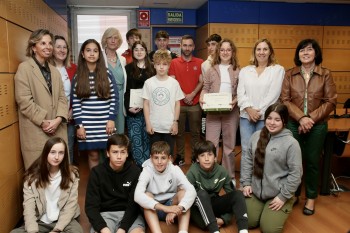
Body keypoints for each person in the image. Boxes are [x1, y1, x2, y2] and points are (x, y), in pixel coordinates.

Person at [280, 38, 337, 215]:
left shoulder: (325, 74)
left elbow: (331, 101)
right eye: (302, 50)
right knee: (292, 162)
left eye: (309, 50)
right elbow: (285, 100)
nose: (305, 53)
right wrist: (301, 118)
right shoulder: (290, 74)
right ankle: (293, 194)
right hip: (293, 124)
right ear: (298, 55)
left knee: (312, 162)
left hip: (317, 126)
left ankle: (311, 197)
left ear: (316, 53)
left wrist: (309, 119)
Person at [240, 103, 303, 233]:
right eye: (269, 118)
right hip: (257, 192)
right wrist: (246, 183)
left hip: (278, 193)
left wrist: (283, 197)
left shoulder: (291, 144)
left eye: (277, 119)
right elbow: (247, 160)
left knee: (269, 229)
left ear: (284, 121)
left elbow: (296, 174)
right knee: (247, 221)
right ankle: (261, 208)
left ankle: (287, 203)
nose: (272, 123)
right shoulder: (256, 136)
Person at [14, 29, 68, 170]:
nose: (48, 47)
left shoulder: (55, 71)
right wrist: (43, 122)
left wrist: (57, 120)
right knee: (38, 176)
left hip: (57, 128)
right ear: (33, 47)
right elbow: (24, 101)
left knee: (57, 176)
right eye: (42, 43)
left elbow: (63, 98)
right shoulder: (24, 69)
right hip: (37, 130)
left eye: (50, 43)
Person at [237, 38, 285, 185]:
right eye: (259, 49)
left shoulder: (277, 70)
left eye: (265, 49)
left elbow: (274, 94)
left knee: (263, 150)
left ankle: (260, 183)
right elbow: (240, 93)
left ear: (270, 51)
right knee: (246, 150)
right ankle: (245, 183)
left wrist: (258, 112)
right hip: (246, 117)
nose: (262, 52)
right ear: (254, 52)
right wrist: (249, 110)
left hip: (266, 118)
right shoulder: (245, 70)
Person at [10, 137, 82, 233]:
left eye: (61, 153)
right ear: (46, 153)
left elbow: (70, 206)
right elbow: (29, 207)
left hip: (64, 220)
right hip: (40, 220)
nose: (57, 157)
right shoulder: (32, 177)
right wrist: (33, 231)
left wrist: (57, 230)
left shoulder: (72, 175)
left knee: (77, 231)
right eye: (52, 152)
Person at [72, 39, 118, 169]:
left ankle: (109, 186)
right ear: (82, 54)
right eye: (88, 50)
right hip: (87, 125)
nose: (92, 54)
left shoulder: (107, 74)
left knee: (110, 155)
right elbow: (75, 104)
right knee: (93, 156)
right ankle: (96, 185)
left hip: (106, 124)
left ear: (99, 54)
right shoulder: (77, 77)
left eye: (95, 51)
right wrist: (79, 126)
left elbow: (115, 99)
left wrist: (111, 119)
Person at [85, 134, 145, 233]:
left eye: (122, 152)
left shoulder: (135, 171)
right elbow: (91, 207)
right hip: (105, 215)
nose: (119, 156)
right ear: (107, 153)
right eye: (115, 152)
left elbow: (133, 205)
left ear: (127, 153)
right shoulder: (97, 172)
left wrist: (123, 229)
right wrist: (104, 229)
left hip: (129, 215)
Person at [199, 39, 240, 185]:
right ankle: (211, 175)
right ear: (218, 51)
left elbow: (241, 91)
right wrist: (202, 96)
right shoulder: (211, 69)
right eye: (222, 49)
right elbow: (205, 87)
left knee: (229, 146)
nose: (225, 52)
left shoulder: (238, 70)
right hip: (213, 112)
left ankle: (229, 177)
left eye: (228, 50)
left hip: (231, 111)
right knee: (211, 144)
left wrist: (236, 100)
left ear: (232, 52)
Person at [186, 140, 248, 233]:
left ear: (215, 157)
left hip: (213, 203)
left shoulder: (222, 171)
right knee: (202, 194)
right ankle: (214, 230)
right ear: (197, 159)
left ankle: (243, 230)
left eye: (210, 155)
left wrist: (224, 219)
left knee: (238, 194)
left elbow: (232, 196)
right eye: (202, 155)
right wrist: (214, 222)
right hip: (197, 208)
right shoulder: (192, 172)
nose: (206, 159)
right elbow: (187, 199)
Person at [134, 141, 196, 233]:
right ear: (151, 158)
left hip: (171, 206)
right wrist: (165, 208)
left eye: (163, 158)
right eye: (156, 158)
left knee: (183, 193)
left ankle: (183, 231)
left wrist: (179, 208)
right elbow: (137, 196)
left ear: (169, 159)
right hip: (152, 210)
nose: (159, 162)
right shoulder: (146, 171)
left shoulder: (175, 169)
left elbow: (191, 190)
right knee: (147, 195)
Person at [169, 35, 203, 166]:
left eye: (190, 45)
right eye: (185, 45)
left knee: (195, 132)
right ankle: (180, 157)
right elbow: (173, 81)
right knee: (179, 133)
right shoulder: (174, 62)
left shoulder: (200, 62)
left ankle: (195, 157)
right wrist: (184, 95)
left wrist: (193, 94)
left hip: (195, 103)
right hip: (179, 104)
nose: (187, 48)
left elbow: (202, 81)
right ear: (180, 46)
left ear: (193, 47)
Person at [142, 50, 184, 156]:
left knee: (168, 155)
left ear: (169, 65)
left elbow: (177, 104)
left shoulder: (174, 83)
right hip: (154, 125)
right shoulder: (149, 83)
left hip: (169, 126)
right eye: (158, 64)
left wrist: (175, 122)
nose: (161, 67)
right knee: (155, 154)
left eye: (164, 64)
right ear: (154, 65)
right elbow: (146, 104)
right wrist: (148, 123)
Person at [124, 41, 156, 166]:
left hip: (151, 111)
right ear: (133, 52)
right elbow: (125, 91)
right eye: (136, 49)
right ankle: (140, 168)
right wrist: (128, 107)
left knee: (148, 139)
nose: (139, 52)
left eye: (141, 49)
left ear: (146, 51)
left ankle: (149, 167)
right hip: (134, 111)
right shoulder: (128, 68)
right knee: (136, 140)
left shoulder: (153, 68)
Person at [51, 35, 78, 164]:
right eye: (58, 47)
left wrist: (72, 110)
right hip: (50, 117)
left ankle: (67, 180)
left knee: (67, 149)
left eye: (64, 47)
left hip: (69, 117)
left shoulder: (73, 68)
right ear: (52, 49)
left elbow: (78, 93)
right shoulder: (45, 68)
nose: (62, 50)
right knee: (51, 150)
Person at [101, 27, 127, 134]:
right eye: (110, 37)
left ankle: (118, 151)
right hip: (105, 97)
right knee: (105, 131)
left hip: (120, 98)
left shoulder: (123, 59)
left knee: (119, 131)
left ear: (119, 41)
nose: (113, 40)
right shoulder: (99, 58)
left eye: (115, 38)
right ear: (105, 40)